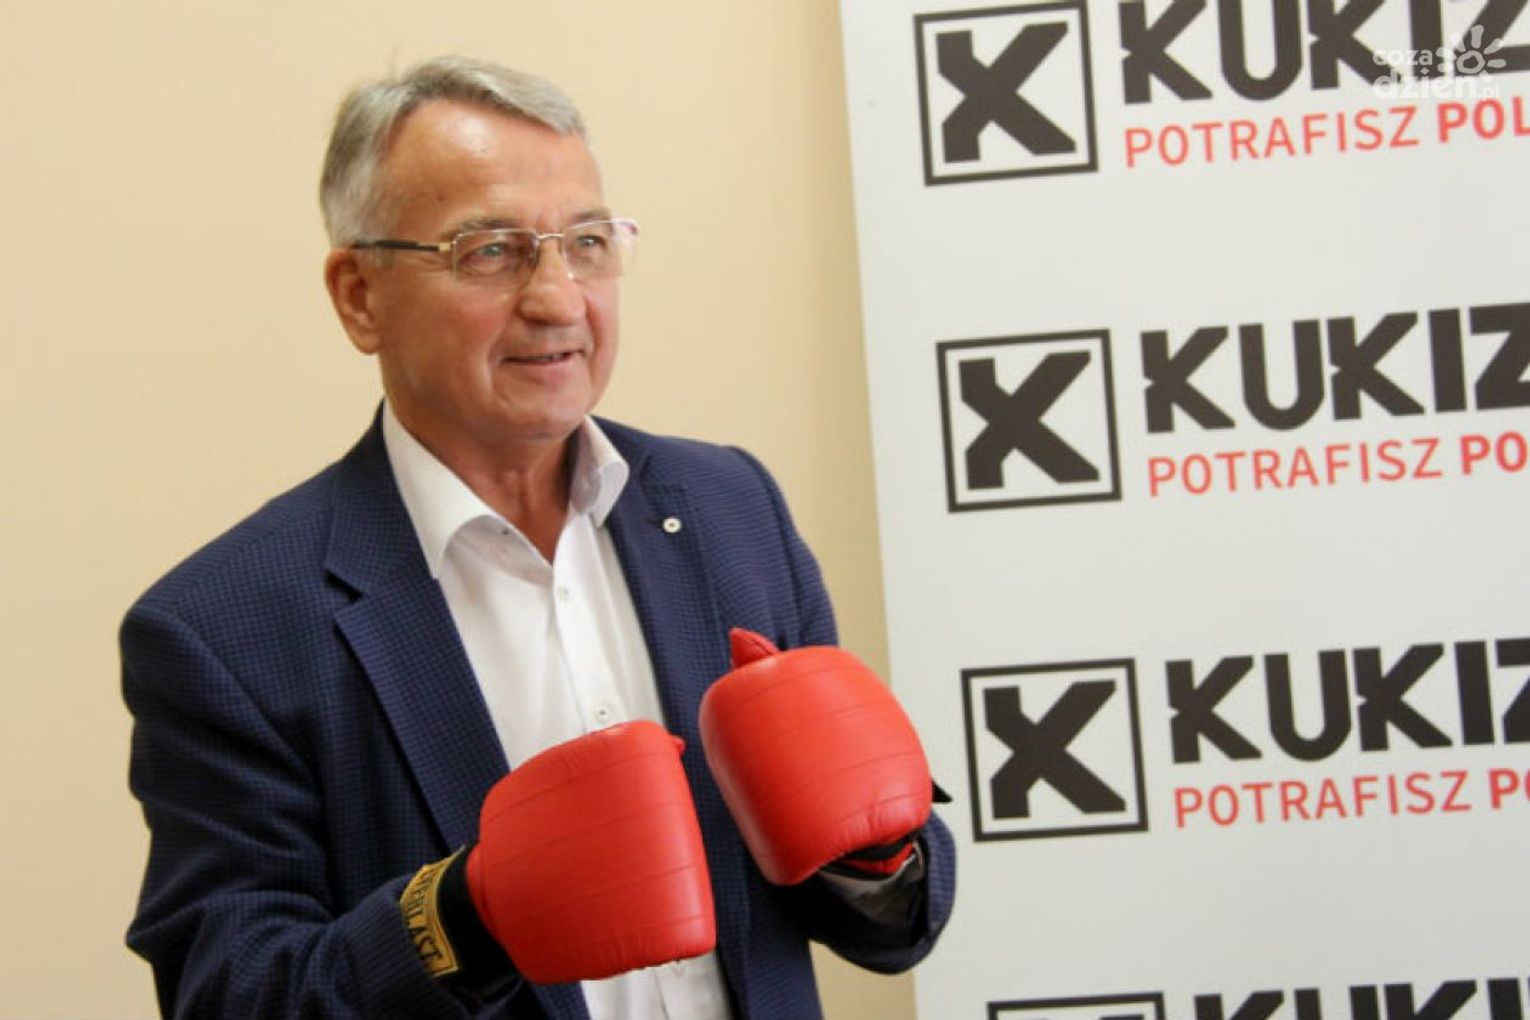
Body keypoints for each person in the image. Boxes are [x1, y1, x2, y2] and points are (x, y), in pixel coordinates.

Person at [121, 55, 955, 1020]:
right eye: (491, 251)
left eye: (587, 243)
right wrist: (468, 916)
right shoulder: (223, 629)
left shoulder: (731, 508)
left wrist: (872, 852)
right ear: (359, 295)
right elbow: (229, 994)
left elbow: (896, 926)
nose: (560, 299)